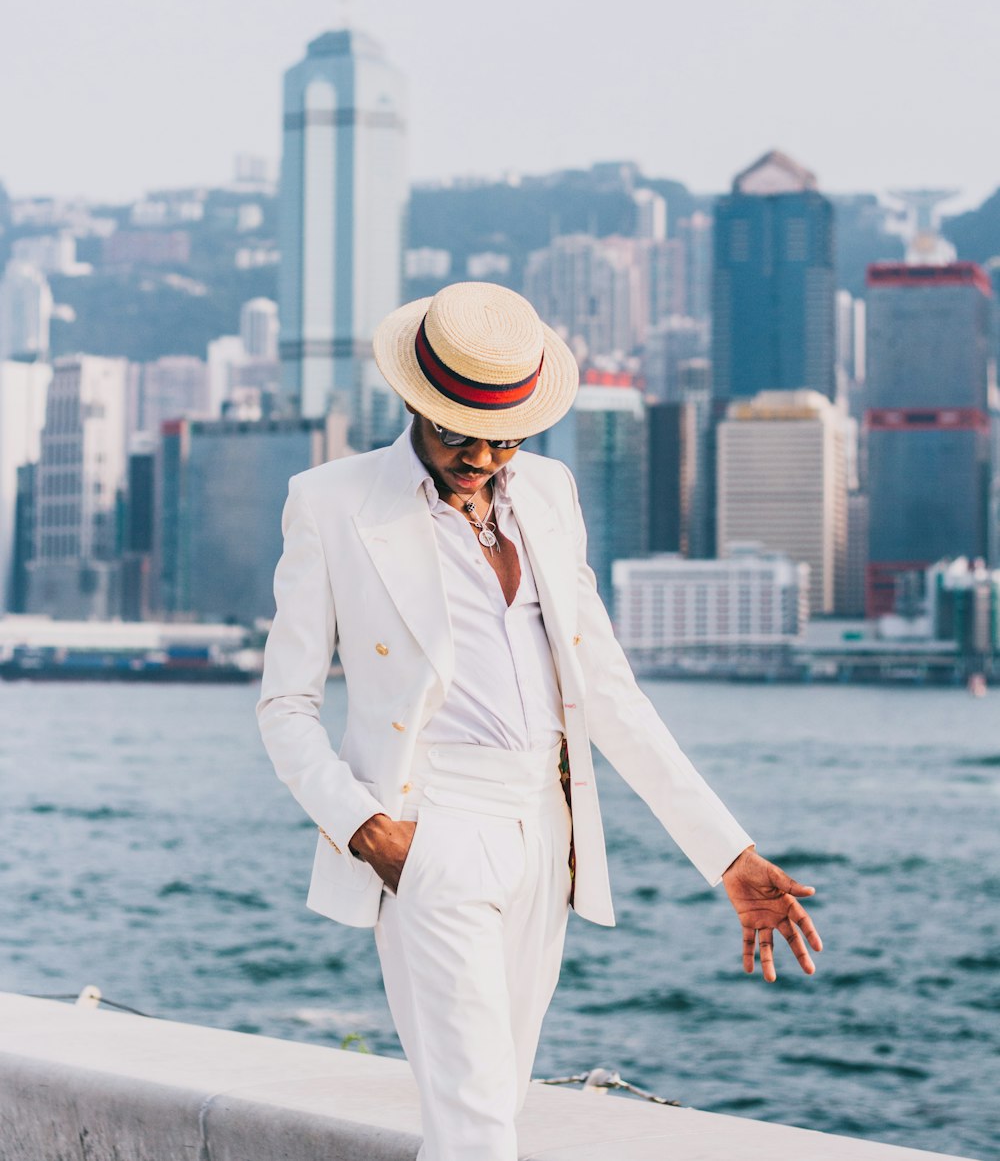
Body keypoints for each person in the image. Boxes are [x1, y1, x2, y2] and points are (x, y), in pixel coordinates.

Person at [256, 281, 822, 1161]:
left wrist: (729, 854)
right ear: (413, 400)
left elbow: (607, 691)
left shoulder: (549, 493)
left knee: (492, 1109)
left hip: (546, 838)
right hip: (429, 827)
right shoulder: (331, 502)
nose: (483, 455)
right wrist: (367, 828)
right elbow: (285, 707)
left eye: (504, 434)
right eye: (457, 431)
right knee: (479, 1123)